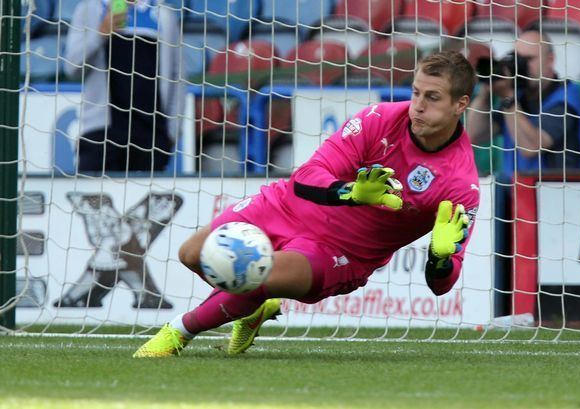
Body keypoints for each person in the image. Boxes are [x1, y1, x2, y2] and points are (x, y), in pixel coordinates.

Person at [133, 50, 481, 358]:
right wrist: (350, 193)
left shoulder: (460, 184)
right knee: (192, 254)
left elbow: (442, 285)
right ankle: (254, 309)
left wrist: (439, 258)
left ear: (460, 105)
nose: (418, 106)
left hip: (339, 251)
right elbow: (307, 175)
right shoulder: (380, 119)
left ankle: (178, 332)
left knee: (260, 275)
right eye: (416, 92)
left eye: (432, 98)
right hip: (286, 206)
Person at [63, 0, 184, 173]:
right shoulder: (89, 9)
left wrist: (171, 132)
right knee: (93, 197)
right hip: (100, 133)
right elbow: (72, 67)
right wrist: (100, 34)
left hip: (151, 135)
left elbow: (177, 76)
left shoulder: (163, 13)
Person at [466, 30, 580, 178]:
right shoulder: (519, 96)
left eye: (529, 59)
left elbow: (530, 147)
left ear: (550, 60)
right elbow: (474, 135)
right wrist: (485, 92)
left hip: (557, 194)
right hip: (515, 193)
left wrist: (507, 97)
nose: (523, 66)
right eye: (518, 59)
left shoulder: (565, 100)